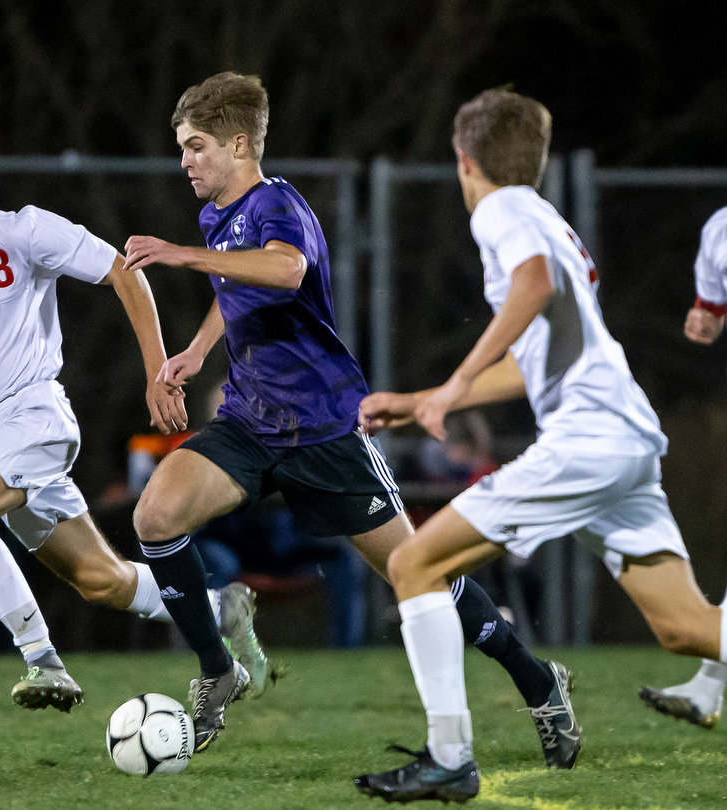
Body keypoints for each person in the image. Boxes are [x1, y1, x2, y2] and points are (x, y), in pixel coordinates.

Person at [123, 72, 577, 759]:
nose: (185, 160)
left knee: (418, 572)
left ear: (239, 143)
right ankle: (220, 669)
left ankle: (539, 681)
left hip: (325, 428)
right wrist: (194, 349)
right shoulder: (217, 214)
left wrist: (181, 256)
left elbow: (283, 271)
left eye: (195, 146)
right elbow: (234, 282)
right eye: (182, 147)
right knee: (155, 517)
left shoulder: (279, 204)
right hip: (251, 419)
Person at [355, 88, 726, 804]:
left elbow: (534, 284)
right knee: (686, 629)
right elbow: (533, 353)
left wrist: (451, 380)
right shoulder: (542, 214)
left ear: (465, 161)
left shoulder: (502, 210)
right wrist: (433, 397)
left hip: (587, 441)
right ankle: (447, 757)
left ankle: (448, 758)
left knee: (413, 563)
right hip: (622, 439)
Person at [0, 102, 265, 711]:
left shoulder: (21, 231)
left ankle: (44, 662)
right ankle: (222, 608)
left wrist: (156, 372)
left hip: (36, 418)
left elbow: (123, 271)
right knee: (101, 581)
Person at [638, 205, 727, 729]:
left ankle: (708, 688)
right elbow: (710, 305)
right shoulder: (719, 227)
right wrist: (704, 315)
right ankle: (707, 688)